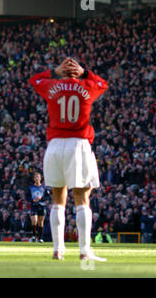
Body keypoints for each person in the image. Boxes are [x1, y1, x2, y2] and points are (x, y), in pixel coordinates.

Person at [29, 58, 108, 262]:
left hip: (55, 145)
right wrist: (85, 73)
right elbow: (103, 83)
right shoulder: (87, 86)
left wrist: (54, 71)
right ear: (77, 73)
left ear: (63, 72)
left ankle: (57, 249)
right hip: (78, 143)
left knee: (58, 199)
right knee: (82, 198)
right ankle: (84, 250)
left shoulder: (53, 86)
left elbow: (35, 80)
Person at [27, 172, 48, 242]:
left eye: (38, 177)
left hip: (41, 206)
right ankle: (33, 235)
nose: (37, 178)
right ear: (33, 179)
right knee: (34, 221)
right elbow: (27, 197)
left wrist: (41, 198)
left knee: (40, 222)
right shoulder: (31, 187)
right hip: (34, 206)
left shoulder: (43, 187)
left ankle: (40, 238)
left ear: (40, 178)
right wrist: (32, 200)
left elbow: (47, 197)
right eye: (35, 177)